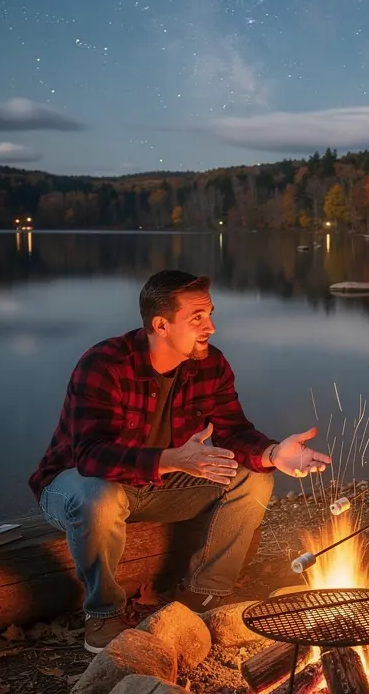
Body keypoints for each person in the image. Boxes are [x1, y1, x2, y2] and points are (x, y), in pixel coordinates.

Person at [29, 270, 331, 653]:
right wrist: (175, 459)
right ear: (161, 324)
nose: (212, 327)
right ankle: (103, 615)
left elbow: (232, 431)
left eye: (210, 314)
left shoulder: (211, 365)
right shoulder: (104, 364)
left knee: (254, 478)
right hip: (75, 486)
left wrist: (273, 453)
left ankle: (202, 597)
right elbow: (91, 456)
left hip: (160, 486)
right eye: (198, 318)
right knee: (98, 495)